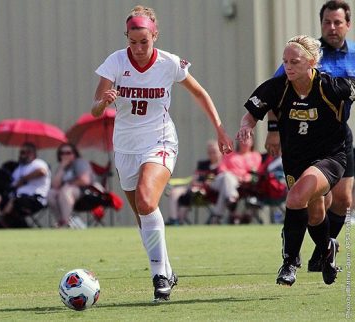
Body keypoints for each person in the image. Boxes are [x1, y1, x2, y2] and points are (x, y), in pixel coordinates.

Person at [91, 5, 233, 301]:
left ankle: (158, 277)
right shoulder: (115, 62)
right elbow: (94, 110)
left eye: (145, 41)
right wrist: (103, 102)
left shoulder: (169, 63)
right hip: (126, 147)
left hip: (160, 141)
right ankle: (167, 268)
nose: (139, 48)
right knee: (142, 215)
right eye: (133, 42)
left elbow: (200, 93)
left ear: (155, 35)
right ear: (126, 38)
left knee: (146, 200)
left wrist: (219, 128)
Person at [237, 35, 355, 286]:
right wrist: (246, 128)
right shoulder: (277, 88)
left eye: (295, 62)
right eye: (285, 61)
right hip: (295, 160)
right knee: (314, 214)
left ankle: (290, 262)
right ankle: (327, 251)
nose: (288, 67)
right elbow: (250, 115)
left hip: (330, 157)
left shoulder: (330, 87)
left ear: (312, 62)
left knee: (295, 197)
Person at [267, 0, 355, 272]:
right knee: (318, 202)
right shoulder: (304, 55)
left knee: (344, 200)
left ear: (347, 25)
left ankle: (323, 250)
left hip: (338, 137)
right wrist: (273, 131)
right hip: (304, 138)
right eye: (327, 22)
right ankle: (311, 251)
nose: (331, 27)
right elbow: (273, 92)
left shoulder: (353, 56)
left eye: (337, 22)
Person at [166, 140, 222, 225]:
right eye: (209, 152)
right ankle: (174, 219)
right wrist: (195, 183)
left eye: (214, 152)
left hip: (206, 192)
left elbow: (211, 183)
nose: (211, 154)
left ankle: (179, 220)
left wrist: (199, 185)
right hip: (193, 187)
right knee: (174, 192)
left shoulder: (221, 166)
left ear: (220, 152)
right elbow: (195, 178)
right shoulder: (202, 164)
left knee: (189, 195)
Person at [208, 138, 262, 224]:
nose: (244, 142)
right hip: (220, 180)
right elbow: (222, 169)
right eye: (242, 140)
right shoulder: (230, 154)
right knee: (227, 177)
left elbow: (255, 172)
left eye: (247, 140)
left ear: (252, 142)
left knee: (225, 188)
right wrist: (235, 176)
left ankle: (218, 215)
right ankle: (232, 198)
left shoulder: (255, 156)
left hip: (237, 185)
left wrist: (247, 177)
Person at [0, 143, 51, 228]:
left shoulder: (38, 163)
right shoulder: (20, 168)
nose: (23, 155)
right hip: (17, 197)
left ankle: (8, 222)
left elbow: (42, 172)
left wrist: (24, 179)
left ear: (33, 153)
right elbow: (14, 183)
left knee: (17, 203)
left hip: (35, 199)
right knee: (2, 200)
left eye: (26, 152)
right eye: (21, 152)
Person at [47, 143, 95, 228]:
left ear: (74, 153)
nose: (65, 155)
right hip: (64, 194)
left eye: (68, 152)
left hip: (84, 193)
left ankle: (65, 222)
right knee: (50, 194)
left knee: (66, 190)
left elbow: (85, 180)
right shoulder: (62, 167)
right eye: (62, 153)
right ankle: (62, 221)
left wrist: (68, 184)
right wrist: (62, 167)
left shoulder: (79, 163)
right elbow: (55, 185)